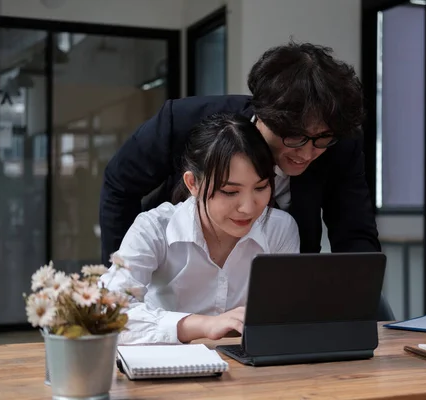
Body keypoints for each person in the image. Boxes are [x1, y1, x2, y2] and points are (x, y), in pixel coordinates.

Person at [100, 41, 380, 265]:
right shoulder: (183, 121)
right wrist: (126, 274)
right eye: (295, 137)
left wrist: (354, 298)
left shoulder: (341, 142)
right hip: (178, 278)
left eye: (322, 139)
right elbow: (119, 184)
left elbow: (355, 233)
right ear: (265, 114)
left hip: (273, 295)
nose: (307, 153)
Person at [101, 114, 300, 345]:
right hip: (164, 367)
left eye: (261, 187)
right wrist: (204, 325)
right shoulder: (154, 228)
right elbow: (108, 313)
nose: (248, 208)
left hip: (248, 371)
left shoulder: (279, 229)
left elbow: (283, 319)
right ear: (192, 183)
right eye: (229, 191)